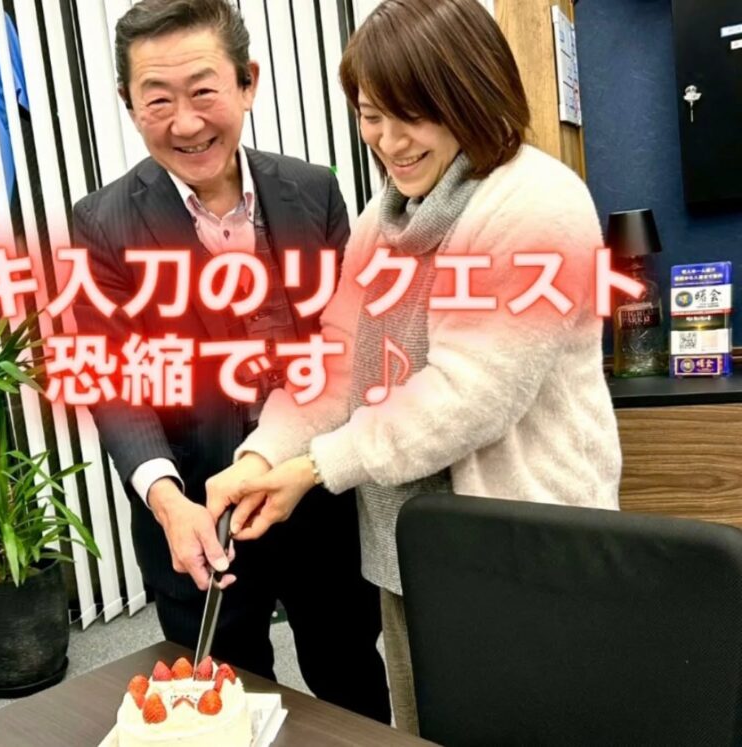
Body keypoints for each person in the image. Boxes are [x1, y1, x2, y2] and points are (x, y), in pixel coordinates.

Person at [207, 0, 621, 734]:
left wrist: (316, 466)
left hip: (526, 544)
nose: (389, 142)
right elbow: (337, 358)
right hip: (414, 546)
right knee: (427, 720)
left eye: (412, 116)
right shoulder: (384, 218)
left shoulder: (538, 203)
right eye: (372, 116)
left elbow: (470, 394)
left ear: (470, 95)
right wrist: (261, 454)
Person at [70, 0, 390, 723]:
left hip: (314, 492)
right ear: (128, 104)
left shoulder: (313, 191)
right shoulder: (103, 222)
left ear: (248, 82)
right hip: (196, 512)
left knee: (350, 678)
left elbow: (345, 345)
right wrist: (166, 498)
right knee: (225, 700)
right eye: (158, 100)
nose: (185, 124)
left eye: (203, 91)